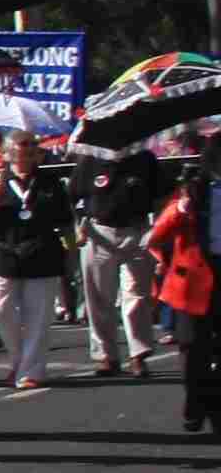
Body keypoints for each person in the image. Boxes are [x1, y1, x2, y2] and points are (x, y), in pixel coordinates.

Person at [0, 140, 76, 396]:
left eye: (32, 150)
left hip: (41, 255)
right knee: (0, 310)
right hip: (2, 255)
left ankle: (30, 372)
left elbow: (66, 224)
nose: (27, 154)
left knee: (38, 318)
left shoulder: (50, 182)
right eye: (21, 149)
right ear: (6, 154)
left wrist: (70, 256)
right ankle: (19, 359)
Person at [83, 150, 170, 377]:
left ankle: (138, 355)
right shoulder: (91, 159)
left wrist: (156, 229)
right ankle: (106, 356)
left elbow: (162, 195)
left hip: (137, 230)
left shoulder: (145, 159)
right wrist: (78, 226)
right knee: (99, 297)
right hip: (100, 231)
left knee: (137, 295)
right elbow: (73, 195)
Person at [153, 150, 218, 436]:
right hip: (192, 283)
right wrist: (181, 208)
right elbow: (157, 235)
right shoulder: (193, 193)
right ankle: (195, 403)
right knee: (193, 353)